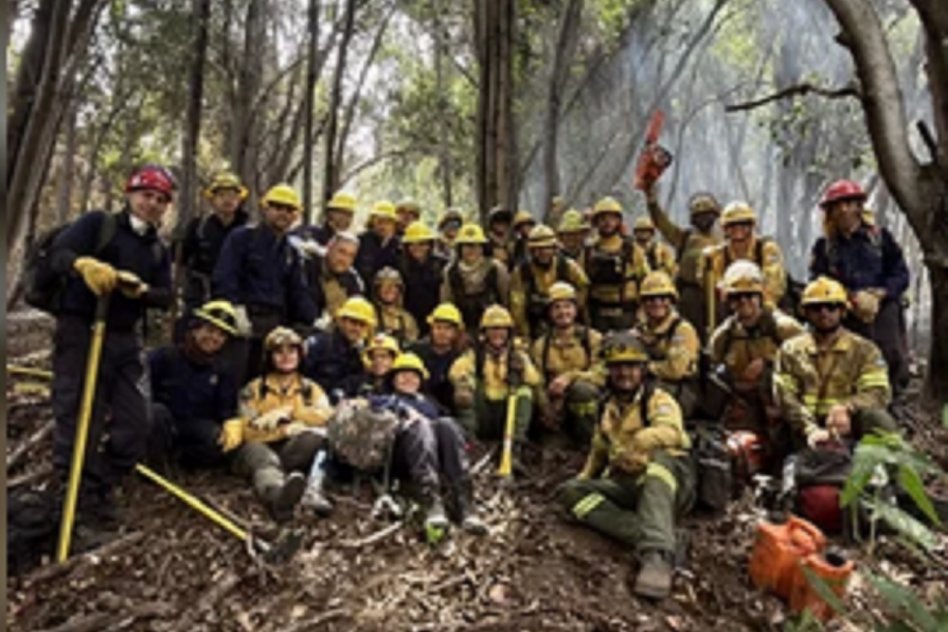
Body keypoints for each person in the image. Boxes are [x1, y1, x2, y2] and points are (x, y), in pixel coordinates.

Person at [48, 164, 175, 530]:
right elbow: (59, 255)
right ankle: (74, 495)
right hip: (81, 330)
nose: (151, 204)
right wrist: (82, 264)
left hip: (124, 336)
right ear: (130, 194)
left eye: (160, 199)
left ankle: (103, 482)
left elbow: (166, 296)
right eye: (146, 195)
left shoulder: (156, 250)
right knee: (77, 413)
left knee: (138, 420)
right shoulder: (97, 225)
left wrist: (141, 290)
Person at [556, 332, 695, 600]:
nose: (624, 373)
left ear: (642, 370)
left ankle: (656, 555)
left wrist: (640, 441)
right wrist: (584, 481)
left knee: (659, 465)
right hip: (628, 483)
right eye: (618, 367)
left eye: (631, 366)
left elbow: (673, 432)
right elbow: (598, 452)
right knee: (570, 492)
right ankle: (661, 535)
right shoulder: (606, 407)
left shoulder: (657, 400)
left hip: (668, 486)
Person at [218, 327, 333, 522]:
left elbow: (326, 416)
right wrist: (283, 429)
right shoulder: (254, 389)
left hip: (291, 449)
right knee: (263, 458)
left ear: (300, 355)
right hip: (259, 450)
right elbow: (247, 431)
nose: (286, 357)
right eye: (279, 352)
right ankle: (278, 497)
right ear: (270, 356)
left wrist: (292, 414)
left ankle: (315, 489)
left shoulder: (310, 389)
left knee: (318, 439)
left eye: (291, 351)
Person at [810, 179, 910, 396]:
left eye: (849, 203)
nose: (844, 210)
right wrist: (846, 298)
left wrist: (880, 294)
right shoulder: (824, 248)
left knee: (890, 353)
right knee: (848, 358)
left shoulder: (880, 239)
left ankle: (892, 399)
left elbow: (901, 274)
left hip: (882, 308)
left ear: (858, 206)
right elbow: (817, 281)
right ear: (831, 212)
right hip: (845, 312)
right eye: (837, 205)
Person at [774, 276, 896, 451]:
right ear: (805, 312)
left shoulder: (864, 350)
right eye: (816, 308)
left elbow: (878, 393)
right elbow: (785, 397)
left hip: (849, 424)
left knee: (879, 419)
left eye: (831, 307)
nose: (824, 313)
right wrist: (810, 430)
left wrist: (846, 408)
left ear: (842, 311)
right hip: (800, 426)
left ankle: (894, 473)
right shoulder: (790, 350)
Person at [212, 183, 318, 385]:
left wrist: (314, 319)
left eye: (289, 210)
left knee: (268, 382)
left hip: (274, 325)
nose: (283, 214)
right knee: (234, 381)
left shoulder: (291, 252)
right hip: (243, 323)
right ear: (265, 208)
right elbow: (225, 276)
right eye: (278, 207)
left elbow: (298, 292)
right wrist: (235, 309)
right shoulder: (241, 238)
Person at [707, 262, 804, 471]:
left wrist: (770, 364)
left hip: (781, 403)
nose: (744, 302)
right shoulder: (724, 336)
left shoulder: (784, 328)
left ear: (760, 296)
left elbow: (809, 364)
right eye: (737, 297)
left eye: (750, 295)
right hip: (744, 403)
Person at [377, 353, 488, 535]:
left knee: (447, 424)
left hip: (433, 456)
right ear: (393, 379)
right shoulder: (385, 398)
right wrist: (404, 411)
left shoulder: (429, 402)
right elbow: (373, 406)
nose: (408, 379)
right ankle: (431, 504)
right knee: (421, 426)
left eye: (413, 375)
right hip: (401, 457)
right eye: (402, 375)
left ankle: (465, 505)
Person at [148, 300, 241, 470]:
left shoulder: (223, 370)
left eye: (221, 335)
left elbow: (227, 409)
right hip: (162, 424)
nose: (214, 338)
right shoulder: (164, 357)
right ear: (196, 328)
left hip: (194, 428)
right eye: (210, 330)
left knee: (216, 440)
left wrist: (231, 423)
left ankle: (180, 462)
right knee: (156, 414)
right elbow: (142, 392)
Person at [449, 305, 541, 470]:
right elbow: (456, 372)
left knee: (525, 392)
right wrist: (464, 385)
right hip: (482, 415)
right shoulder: (475, 354)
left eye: (502, 329)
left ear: (508, 332)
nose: (498, 334)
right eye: (493, 329)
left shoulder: (517, 355)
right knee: (466, 390)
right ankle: (470, 445)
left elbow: (535, 380)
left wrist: (521, 369)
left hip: (507, 416)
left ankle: (515, 449)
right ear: (484, 332)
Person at [644, 185, 723, 341]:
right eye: (699, 215)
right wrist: (652, 203)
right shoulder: (685, 238)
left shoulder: (724, 239)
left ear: (715, 216)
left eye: (707, 215)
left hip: (717, 294)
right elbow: (662, 224)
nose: (704, 219)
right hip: (690, 295)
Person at [698, 202, 787, 335]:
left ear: (751, 226)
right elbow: (712, 284)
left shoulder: (766, 249)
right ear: (725, 229)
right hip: (733, 305)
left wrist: (757, 311)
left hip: (763, 303)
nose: (738, 229)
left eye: (743, 224)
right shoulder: (717, 254)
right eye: (732, 225)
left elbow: (774, 284)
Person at [530, 282, 604, 444]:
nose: (563, 312)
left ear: (576, 310)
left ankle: (589, 441)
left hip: (589, 408)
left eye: (567, 306)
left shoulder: (593, 339)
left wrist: (571, 377)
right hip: (556, 408)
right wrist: (545, 408)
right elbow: (537, 381)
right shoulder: (541, 345)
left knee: (582, 390)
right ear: (549, 313)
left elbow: (602, 375)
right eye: (557, 307)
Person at [176, 172, 250, 315]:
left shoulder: (249, 231)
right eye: (221, 195)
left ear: (240, 199)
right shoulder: (198, 227)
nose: (227, 200)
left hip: (237, 299)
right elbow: (180, 260)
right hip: (201, 296)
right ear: (212, 199)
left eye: (232, 195)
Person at [633, 271, 701, 418]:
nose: (657, 303)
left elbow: (676, 370)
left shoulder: (682, 330)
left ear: (671, 300)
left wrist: (644, 367)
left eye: (663, 298)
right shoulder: (640, 329)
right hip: (649, 383)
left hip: (681, 391)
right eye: (651, 299)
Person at [509, 224, 589, 341]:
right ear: (531, 251)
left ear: (554, 248)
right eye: (538, 249)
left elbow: (584, 286)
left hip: (567, 320)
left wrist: (571, 308)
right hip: (537, 323)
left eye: (547, 248)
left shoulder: (568, 266)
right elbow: (517, 306)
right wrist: (525, 334)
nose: (543, 253)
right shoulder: (521, 272)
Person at [584, 196, 650, 332]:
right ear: (596, 222)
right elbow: (582, 284)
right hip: (598, 315)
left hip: (626, 314)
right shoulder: (589, 251)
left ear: (618, 221)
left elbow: (646, 281)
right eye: (602, 219)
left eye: (611, 218)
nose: (607, 222)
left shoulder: (632, 249)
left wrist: (642, 313)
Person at [303, 296, 377, 401]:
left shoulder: (359, 356)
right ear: (341, 321)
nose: (357, 328)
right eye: (353, 322)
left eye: (362, 325)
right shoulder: (319, 344)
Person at [440, 223, 510, 332]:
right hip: (462, 329)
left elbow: (506, 300)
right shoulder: (450, 271)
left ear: (482, 247)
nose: (471, 250)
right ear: (460, 248)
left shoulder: (497, 268)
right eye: (467, 245)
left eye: (475, 245)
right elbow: (446, 304)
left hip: (493, 327)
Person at [408, 303, 466, 414]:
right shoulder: (415, 352)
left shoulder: (460, 358)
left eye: (448, 329)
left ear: (456, 332)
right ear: (431, 329)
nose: (442, 333)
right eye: (438, 327)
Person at [399, 221, 448, 337]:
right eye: (412, 244)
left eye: (422, 244)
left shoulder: (442, 265)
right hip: (409, 319)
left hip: (437, 318)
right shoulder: (400, 266)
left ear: (429, 245)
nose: (417, 248)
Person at [305, 231, 365, 325]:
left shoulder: (353, 280)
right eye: (341, 252)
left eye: (351, 255)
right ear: (329, 247)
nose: (344, 259)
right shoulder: (308, 265)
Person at [355, 200, 401, 287]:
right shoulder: (360, 241)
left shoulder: (398, 246)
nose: (383, 226)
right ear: (372, 222)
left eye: (388, 222)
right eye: (380, 221)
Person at [371, 267, 419, 344]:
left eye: (393, 286)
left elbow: (413, 344)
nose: (389, 289)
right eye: (384, 285)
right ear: (377, 290)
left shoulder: (407, 318)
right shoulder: (370, 314)